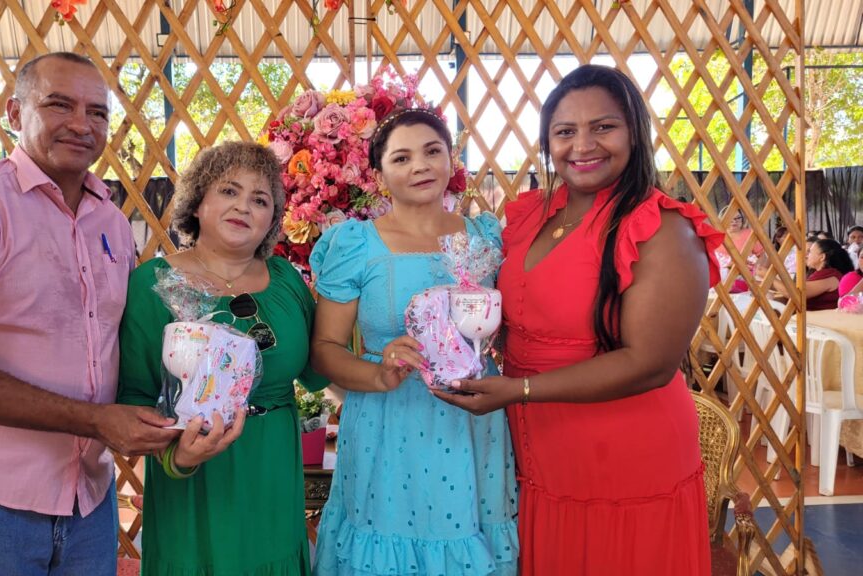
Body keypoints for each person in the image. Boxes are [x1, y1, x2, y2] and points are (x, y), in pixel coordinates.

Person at [435, 64, 722, 575]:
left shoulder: (662, 228)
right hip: (538, 449)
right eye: (565, 131)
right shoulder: (534, 216)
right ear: (547, 142)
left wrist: (519, 390)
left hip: (624, 455)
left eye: (603, 127)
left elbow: (651, 363)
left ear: (634, 133)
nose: (583, 145)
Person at [0, 52, 179, 575]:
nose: (82, 124)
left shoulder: (112, 223)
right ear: (14, 112)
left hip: (85, 495)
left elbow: (115, 347)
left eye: (97, 112)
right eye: (59, 105)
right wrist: (97, 420)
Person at [310, 108, 518, 576]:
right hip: (389, 421)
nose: (420, 166)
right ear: (379, 176)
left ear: (451, 160)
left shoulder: (485, 237)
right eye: (401, 158)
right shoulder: (356, 244)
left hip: (474, 418)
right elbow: (325, 348)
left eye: (432, 151)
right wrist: (377, 374)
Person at [117, 141, 328, 575]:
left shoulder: (287, 281)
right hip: (192, 479)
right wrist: (179, 459)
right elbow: (133, 400)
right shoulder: (152, 284)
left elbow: (321, 367)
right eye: (229, 191)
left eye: (260, 199)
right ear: (197, 203)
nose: (244, 207)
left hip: (271, 472)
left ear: (272, 219)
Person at [772, 238, 854, 310]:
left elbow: (795, 293)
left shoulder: (831, 277)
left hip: (817, 321)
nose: (806, 256)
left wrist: (771, 277)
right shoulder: (820, 273)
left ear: (822, 257)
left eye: (810, 252)